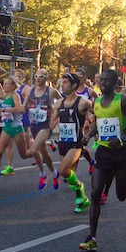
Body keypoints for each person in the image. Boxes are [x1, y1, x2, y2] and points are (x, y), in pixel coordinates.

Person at [78, 69, 126, 251]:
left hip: (120, 153)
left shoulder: (123, 100)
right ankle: (92, 237)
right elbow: (98, 123)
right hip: (103, 152)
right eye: (100, 80)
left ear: (114, 84)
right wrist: (89, 136)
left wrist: (122, 138)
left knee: (121, 195)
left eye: (106, 81)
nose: (102, 83)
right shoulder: (96, 102)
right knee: (95, 193)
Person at [48, 72, 93, 213]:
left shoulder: (83, 102)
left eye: (66, 82)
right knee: (69, 173)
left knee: (62, 170)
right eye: (62, 82)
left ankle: (80, 189)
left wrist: (90, 122)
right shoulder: (59, 103)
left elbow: (97, 112)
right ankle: (83, 199)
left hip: (76, 142)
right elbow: (52, 121)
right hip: (63, 141)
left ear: (74, 85)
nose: (62, 85)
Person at [0, 75, 34, 188]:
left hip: (17, 128)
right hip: (7, 128)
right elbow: (4, 108)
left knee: (24, 154)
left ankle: (38, 153)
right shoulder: (5, 96)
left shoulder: (15, 95)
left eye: (6, 84)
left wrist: (3, 109)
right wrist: (0, 112)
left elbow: (19, 109)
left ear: (13, 86)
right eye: (4, 83)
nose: (4, 85)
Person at [23, 68, 62, 190]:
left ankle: (42, 174)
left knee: (34, 150)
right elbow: (24, 106)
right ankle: (54, 173)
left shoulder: (51, 91)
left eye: (41, 77)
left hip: (46, 125)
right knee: (44, 153)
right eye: (36, 76)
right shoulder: (30, 91)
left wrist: (56, 119)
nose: (38, 79)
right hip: (34, 124)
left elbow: (63, 103)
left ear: (47, 79)